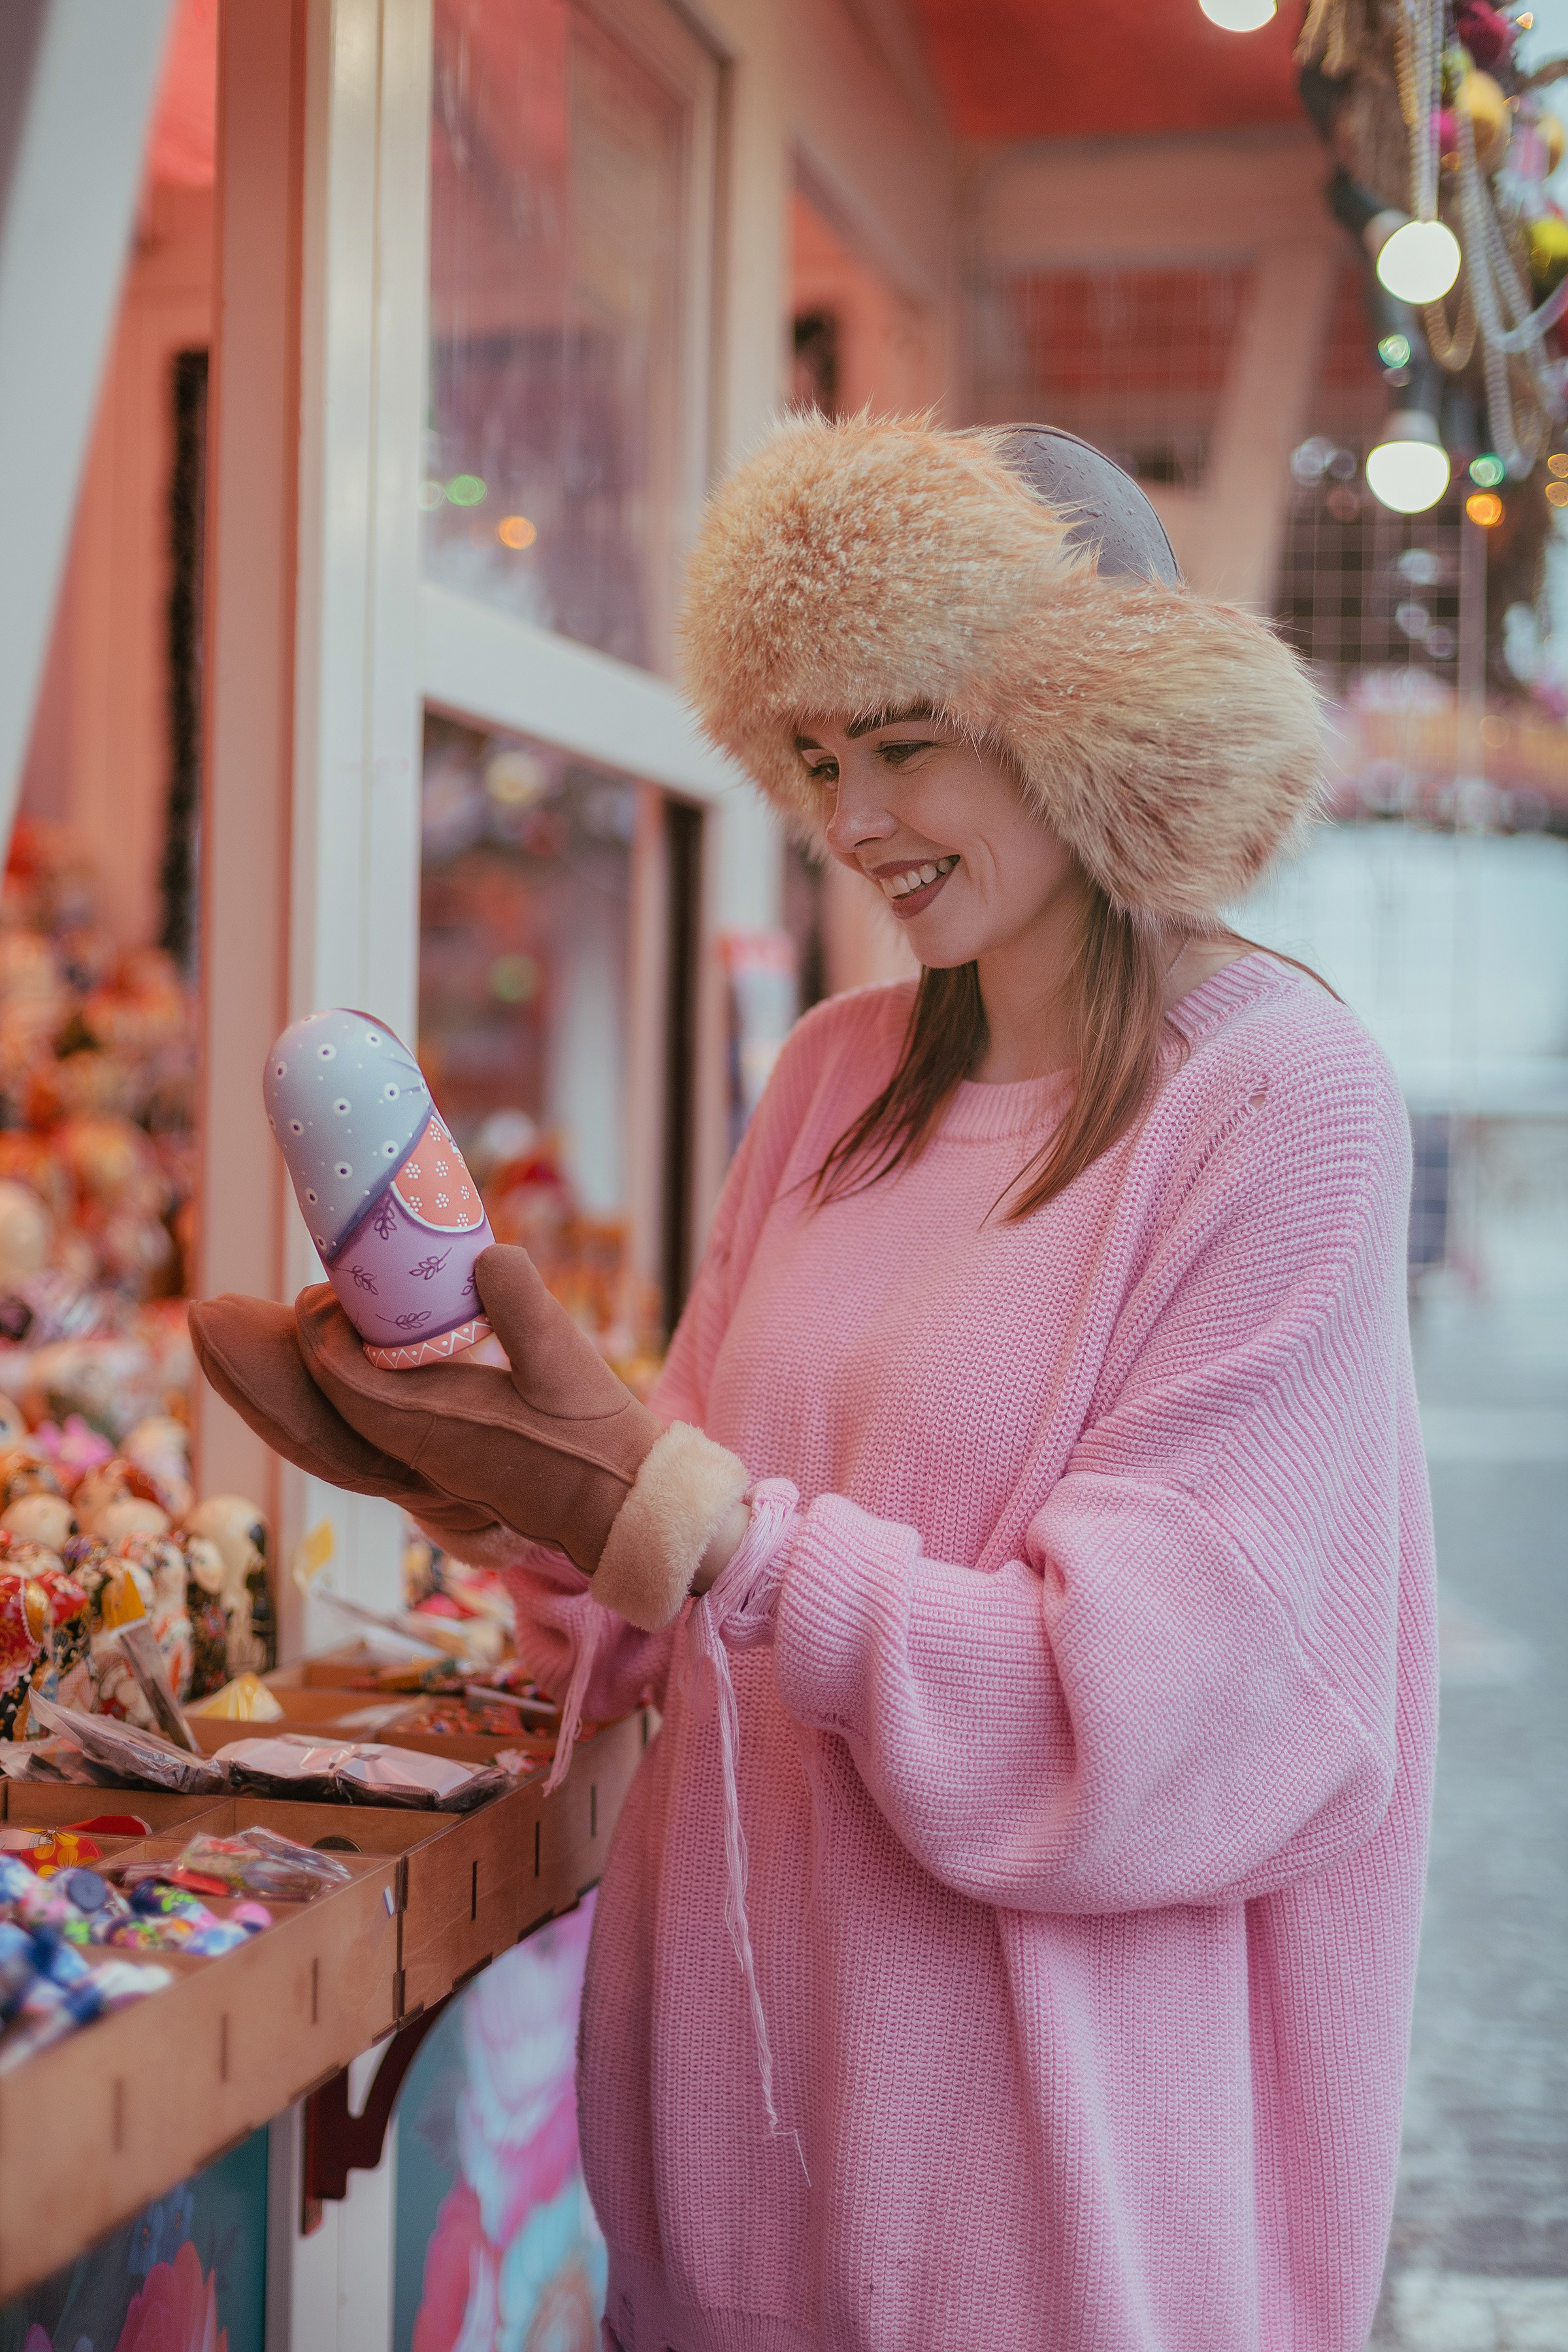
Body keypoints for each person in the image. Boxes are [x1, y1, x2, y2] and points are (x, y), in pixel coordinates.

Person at [193, 415, 1437, 2352]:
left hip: (1040, 2233)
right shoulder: (839, 1075)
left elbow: (1168, 1719)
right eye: (816, 757)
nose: (855, 820)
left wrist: (682, 1519)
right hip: (721, 2223)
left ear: (1094, 716)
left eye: (908, 736)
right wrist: (489, 1473)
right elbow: (675, 1546)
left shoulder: (1279, 1099)